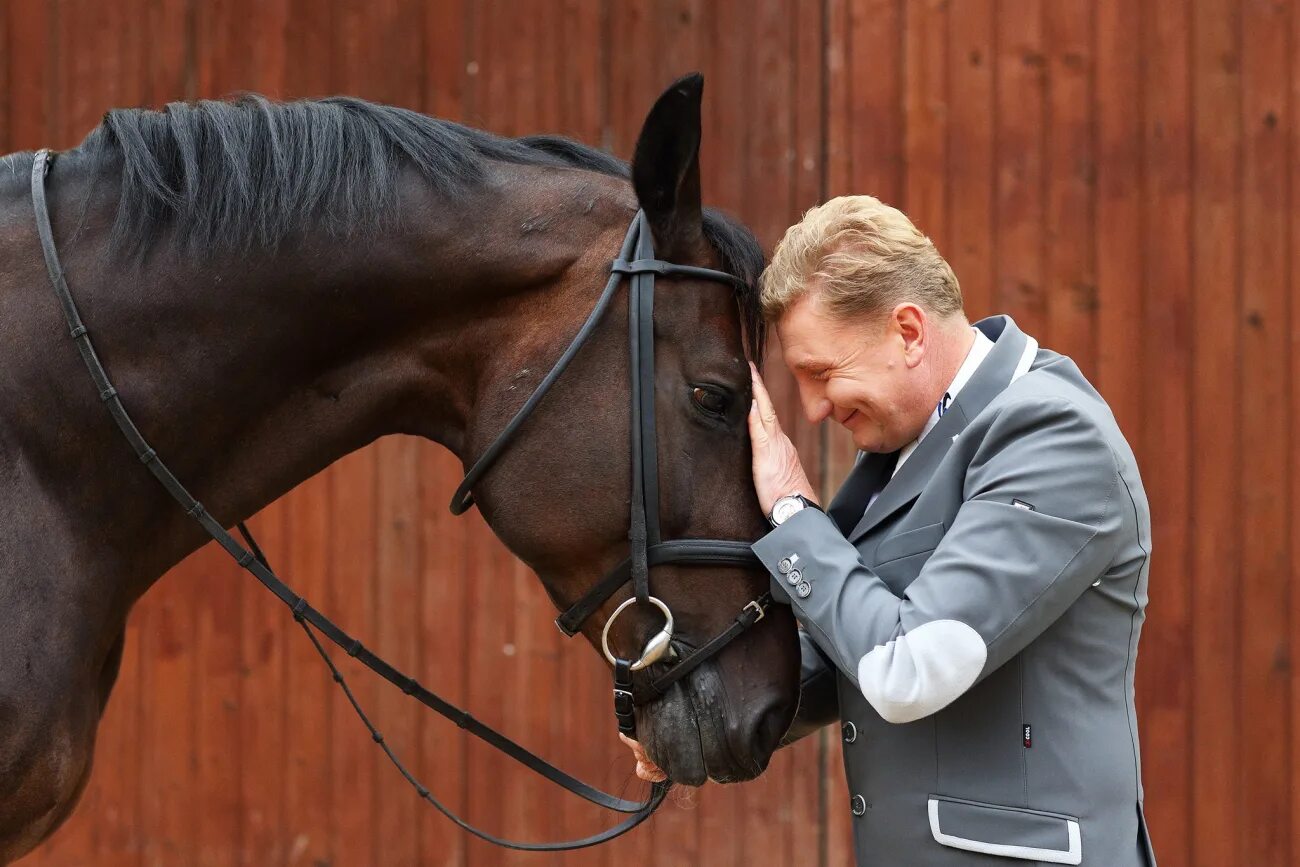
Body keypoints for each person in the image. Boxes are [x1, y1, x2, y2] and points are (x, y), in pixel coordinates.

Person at [623, 195, 1157, 865]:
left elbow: (910, 668)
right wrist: (704, 718)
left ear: (907, 330)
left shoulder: (1053, 435)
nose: (814, 409)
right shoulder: (905, 446)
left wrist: (793, 511)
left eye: (821, 373)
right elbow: (854, 646)